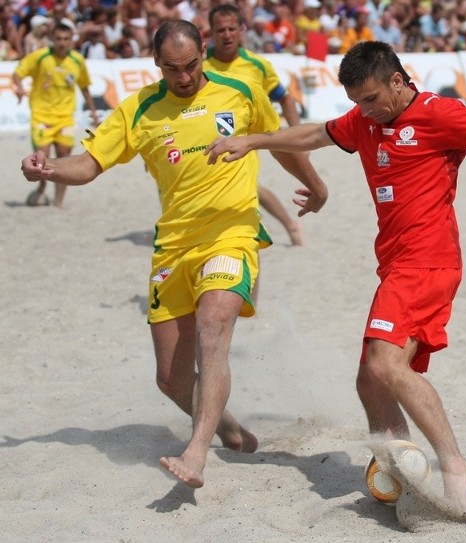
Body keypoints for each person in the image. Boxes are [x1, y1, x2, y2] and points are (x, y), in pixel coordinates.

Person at [205, 41, 466, 520]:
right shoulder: (364, 120)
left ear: (398, 82)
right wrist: (253, 141)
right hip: (396, 264)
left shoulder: (440, 114)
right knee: (369, 382)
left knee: (384, 364)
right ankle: (406, 471)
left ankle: (455, 465)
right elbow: (315, 135)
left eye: (373, 98)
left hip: (428, 262)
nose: (366, 110)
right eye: (358, 101)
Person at [20, 20, 328, 488]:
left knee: (213, 327)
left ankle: (197, 451)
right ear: (156, 63)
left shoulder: (240, 90)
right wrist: (48, 170)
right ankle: (228, 428)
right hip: (173, 246)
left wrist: (317, 186)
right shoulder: (139, 109)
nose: (183, 77)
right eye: (172, 69)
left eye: (191, 66)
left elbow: (277, 139)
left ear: (203, 52)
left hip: (232, 234)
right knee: (169, 378)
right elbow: (87, 164)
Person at [205, 3, 306, 246]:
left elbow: (284, 98)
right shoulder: (199, 64)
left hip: (244, 141)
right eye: (220, 30)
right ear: (211, 32)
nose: (227, 35)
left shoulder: (257, 65)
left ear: (242, 29)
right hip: (204, 139)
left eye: (232, 28)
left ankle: (288, 225)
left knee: (249, 188)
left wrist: (297, 139)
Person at [13, 22, 99, 208]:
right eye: (58, 39)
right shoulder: (41, 56)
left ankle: (58, 202)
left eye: (66, 39)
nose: (62, 43)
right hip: (41, 117)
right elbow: (18, 73)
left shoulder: (77, 60)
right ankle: (42, 187)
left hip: (65, 118)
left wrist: (93, 113)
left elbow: (84, 88)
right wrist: (19, 88)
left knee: (63, 160)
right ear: (52, 39)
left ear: (71, 40)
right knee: (41, 161)